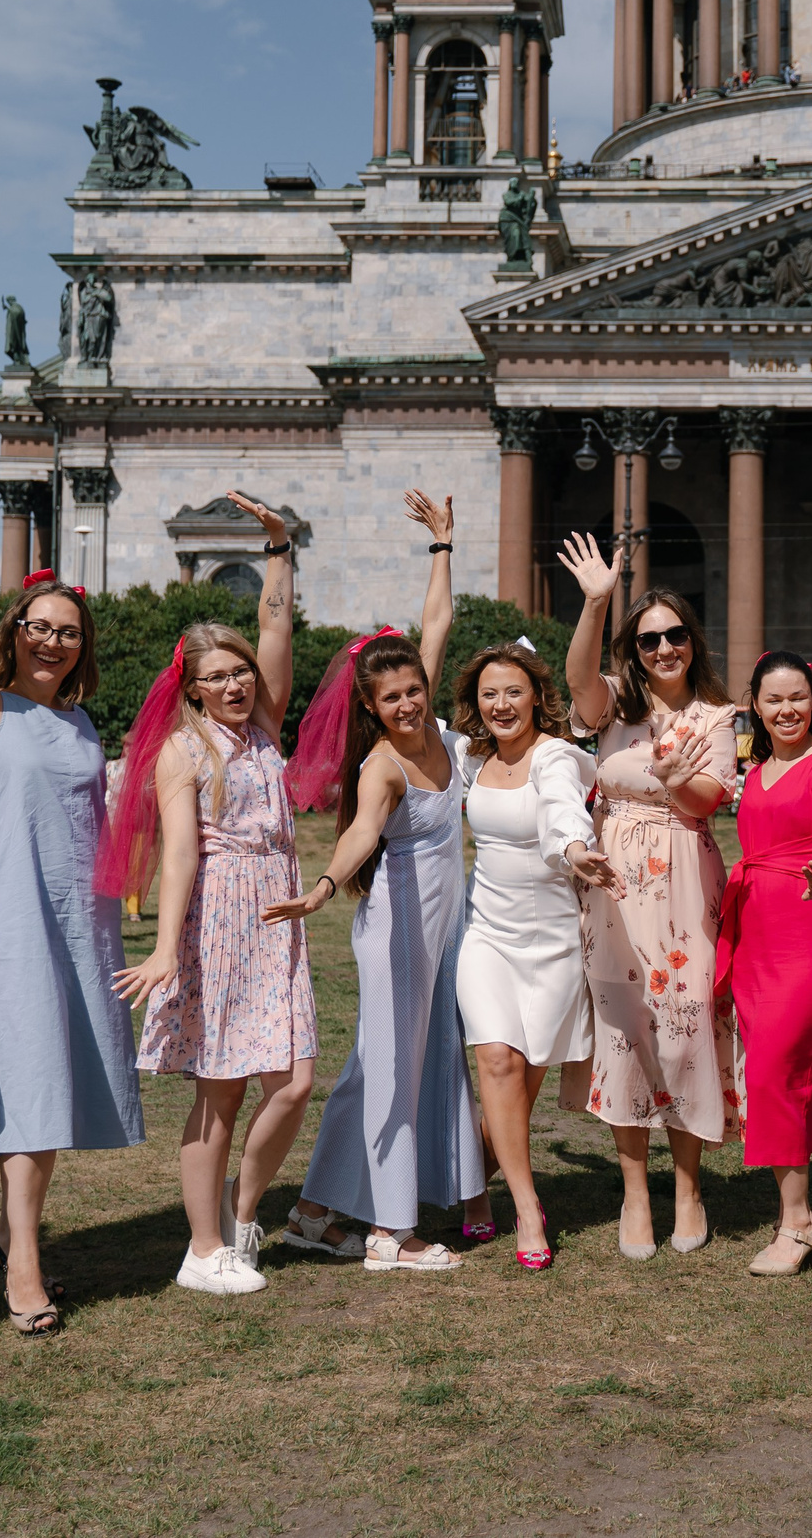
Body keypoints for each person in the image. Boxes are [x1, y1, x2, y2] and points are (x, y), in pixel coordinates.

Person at [0, 439, 141, 1336]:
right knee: (31, 1085)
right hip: (10, 922)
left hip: (82, 921)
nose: (51, 637)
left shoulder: (80, 723)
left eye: (67, 629)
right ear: (17, 636)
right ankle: (28, 1266)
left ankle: (11, 1235)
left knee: (57, 1082)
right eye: (38, 625)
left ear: (81, 648)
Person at [265, 494, 486, 1271]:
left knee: (383, 1067)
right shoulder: (382, 766)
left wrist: (442, 547)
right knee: (391, 1067)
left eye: (414, 690)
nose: (406, 702)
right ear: (370, 705)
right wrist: (323, 888)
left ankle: (316, 1211)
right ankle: (393, 1233)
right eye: (390, 697)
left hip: (440, 928)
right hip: (395, 928)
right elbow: (362, 833)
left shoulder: (450, 741)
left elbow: (436, 625)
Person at [103, 492, 309, 1297]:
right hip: (220, 917)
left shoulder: (265, 727)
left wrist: (279, 553)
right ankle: (201, 1248)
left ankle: (241, 1211)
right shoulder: (185, 752)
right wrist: (163, 946)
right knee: (218, 1093)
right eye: (215, 676)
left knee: (293, 1079)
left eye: (239, 672)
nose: (233, 683)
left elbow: (277, 628)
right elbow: (180, 852)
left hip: (279, 909)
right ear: (190, 689)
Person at [558, 535, 741, 1259]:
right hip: (614, 884)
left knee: (687, 1024)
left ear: (692, 643)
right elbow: (576, 678)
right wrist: (597, 601)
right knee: (626, 1028)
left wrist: (669, 775)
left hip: (684, 878)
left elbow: (708, 800)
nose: (663, 647)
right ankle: (635, 1188)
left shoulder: (719, 717)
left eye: (674, 635)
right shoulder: (614, 706)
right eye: (648, 639)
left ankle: (688, 1185)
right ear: (634, 650)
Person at [449, 640, 614, 1270]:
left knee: (517, 1091)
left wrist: (575, 850)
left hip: (552, 946)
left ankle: (470, 1189)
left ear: (536, 697)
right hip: (485, 934)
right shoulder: (467, 757)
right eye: (489, 693)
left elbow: (562, 813)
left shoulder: (557, 758)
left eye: (513, 691)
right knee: (495, 1061)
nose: (501, 704)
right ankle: (525, 1208)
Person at [715, 651, 812, 1275]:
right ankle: (794, 1211)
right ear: (756, 705)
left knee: (778, 1066)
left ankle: (798, 1223)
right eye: (773, 700)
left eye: (797, 697)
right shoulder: (758, 767)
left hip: (807, 928)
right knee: (769, 1073)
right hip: (753, 932)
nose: (786, 710)